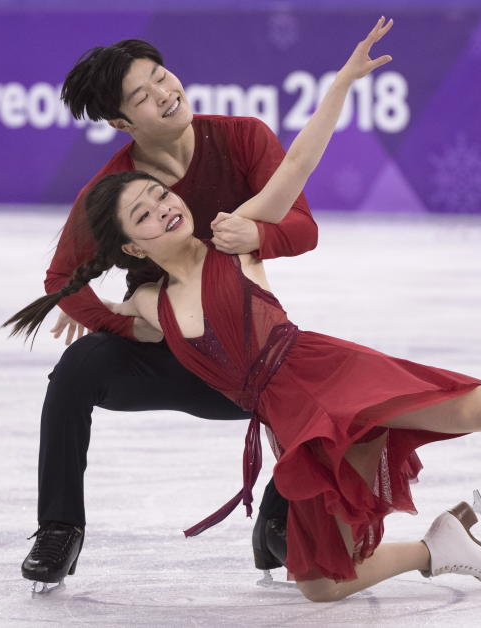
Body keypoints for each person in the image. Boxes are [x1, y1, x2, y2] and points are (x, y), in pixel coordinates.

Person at [6, 17, 481, 601]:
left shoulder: (228, 236)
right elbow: (65, 279)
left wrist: (336, 90)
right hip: (279, 409)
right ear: (128, 238)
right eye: (148, 212)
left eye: (162, 76)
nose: (165, 204)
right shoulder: (147, 290)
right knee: (320, 584)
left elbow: (297, 171)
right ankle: (444, 547)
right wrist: (108, 318)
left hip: (315, 376)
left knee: (469, 406)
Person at [21, 35, 309, 590]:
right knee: (76, 370)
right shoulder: (112, 191)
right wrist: (125, 324)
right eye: (142, 95)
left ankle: (277, 516)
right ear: (118, 121)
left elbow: (303, 227)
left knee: (306, 392)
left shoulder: (243, 137)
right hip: (163, 349)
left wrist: (260, 234)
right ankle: (60, 529)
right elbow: (62, 279)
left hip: (239, 350)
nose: (165, 93)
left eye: (161, 75)